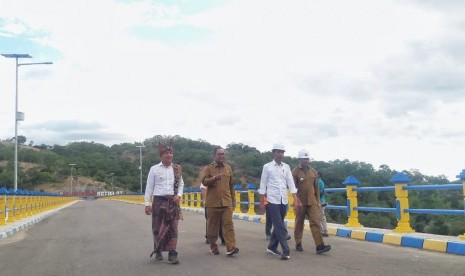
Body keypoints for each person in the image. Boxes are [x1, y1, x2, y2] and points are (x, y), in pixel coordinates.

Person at [259, 143, 302, 260]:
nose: (280, 154)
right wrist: (262, 202)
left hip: (284, 199)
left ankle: (272, 247)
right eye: (278, 152)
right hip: (272, 199)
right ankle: (285, 249)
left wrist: (295, 199)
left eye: (282, 152)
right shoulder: (267, 167)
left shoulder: (286, 167)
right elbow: (262, 185)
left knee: (279, 222)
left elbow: (291, 184)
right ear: (273, 153)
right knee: (278, 224)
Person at [144, 138, 184, 264]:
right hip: (158, 202)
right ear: (161, 155)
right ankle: (158, 250)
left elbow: (181, 184)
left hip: (173, 202)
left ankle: (173, 253)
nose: (169, 155)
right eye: (166, 153)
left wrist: (179, 195)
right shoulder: (154, 169)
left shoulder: (177, 169)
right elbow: (149, 187)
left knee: (173, 228)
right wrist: (147, 204)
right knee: (157, 228)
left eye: (171, 153)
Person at [201, 147, 239, 256]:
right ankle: (213, 246)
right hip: (213, 204)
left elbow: (231, 185)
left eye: (223, 154)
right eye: (219, 154)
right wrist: (214, 178)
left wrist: (233, 200)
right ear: (214, 155)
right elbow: (204, 182)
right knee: (212, 227)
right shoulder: (209, 168)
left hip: (226, 202)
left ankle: (231, 247)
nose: (222, 156)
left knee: (228, 225)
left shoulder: (228, 168)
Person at [292, 149, 331, 254]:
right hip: (300, 202)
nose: (306, 160)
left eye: (307, 158)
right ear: (299, 159)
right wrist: (295, 201)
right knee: (299, 223)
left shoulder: (313, 172)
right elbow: (292, 189)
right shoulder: (295, 172)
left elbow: (316, 188)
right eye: (304, 159)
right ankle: (298, 242)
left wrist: (318, 202)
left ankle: (320, 246)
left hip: (312, 202)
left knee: (315, 223)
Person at [317, 171, 329, 237]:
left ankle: (324, 231)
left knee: (320, 217)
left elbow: (320, 193)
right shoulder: (320, 182)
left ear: (318, 175)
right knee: (321, 217)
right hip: (322, 201)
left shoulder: (318, 182)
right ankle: (323, 230)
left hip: (319, 201)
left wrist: (318, 202)